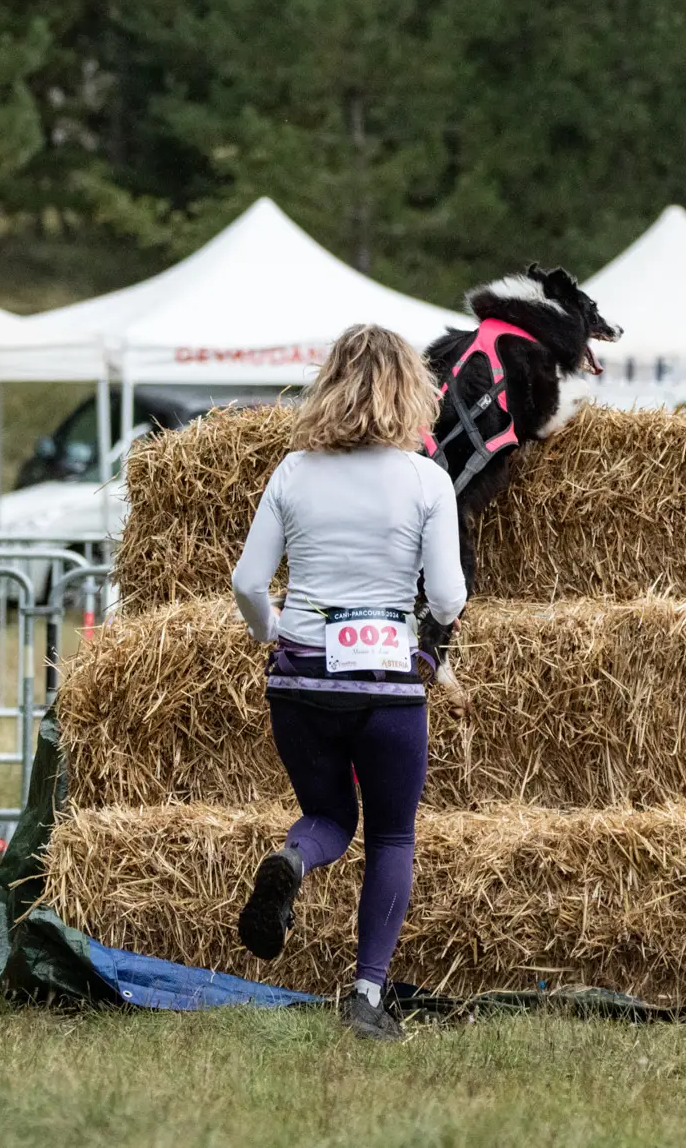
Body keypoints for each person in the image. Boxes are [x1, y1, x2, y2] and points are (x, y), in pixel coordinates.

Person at [228, 323, 465, 1041]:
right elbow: (449, 595)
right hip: (388, 678)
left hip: (301, 679)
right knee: (392, 834)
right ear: (411, 390)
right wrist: (431, 639)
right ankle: (367, 997)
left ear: (329, 383)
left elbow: (246, 580)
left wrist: (270, 628)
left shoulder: (295, 471)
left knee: (329, 817)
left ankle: (292, 860)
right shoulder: (427, 479)